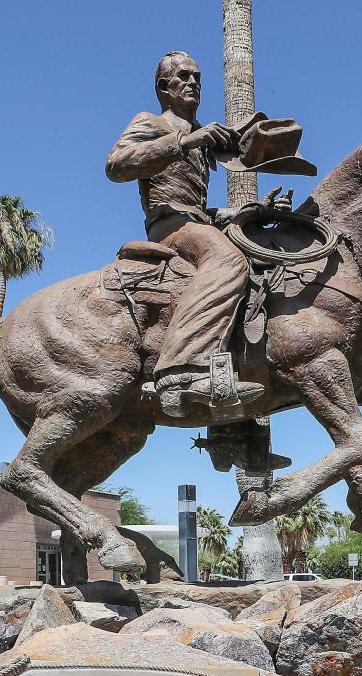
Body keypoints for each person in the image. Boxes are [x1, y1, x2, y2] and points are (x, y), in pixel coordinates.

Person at [106, 51, 280, 417]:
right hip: (169, 227)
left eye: (198, 78)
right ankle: (182, 368)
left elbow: (201, 211)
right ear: (163, 87)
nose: (193, 83)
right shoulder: (152, 122)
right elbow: (116, 165)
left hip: (194, 224)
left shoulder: (199, 137)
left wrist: (254, 211)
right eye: (183, 76)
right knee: (228, 260)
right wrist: (183, 142)